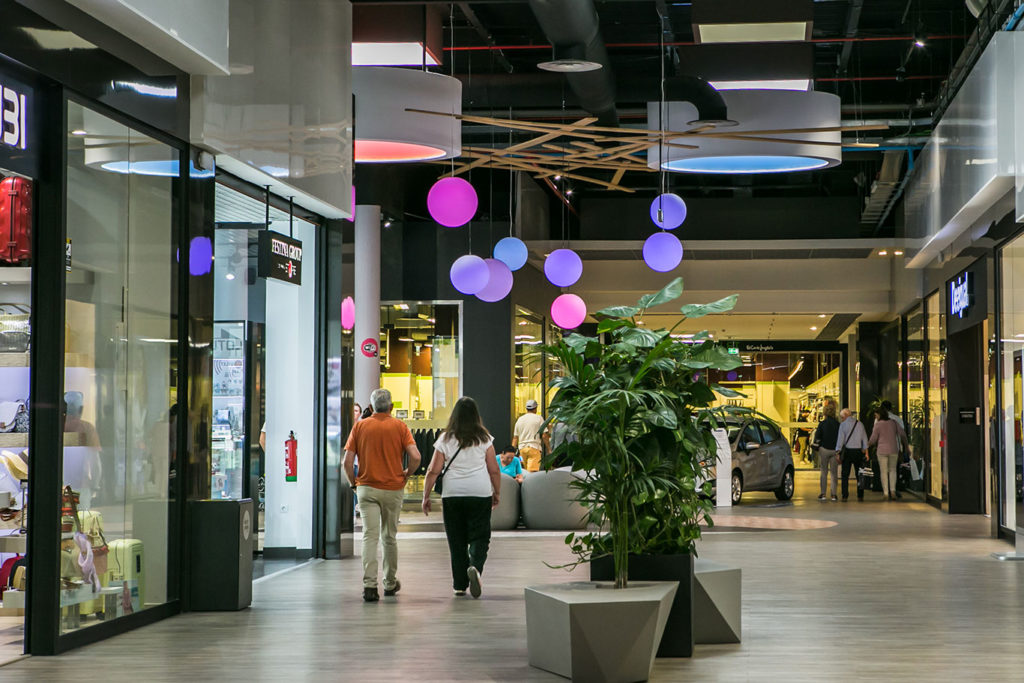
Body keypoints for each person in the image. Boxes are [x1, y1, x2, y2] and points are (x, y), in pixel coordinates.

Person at [344, 388, 421, 602]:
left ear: (370, 408)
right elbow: (416, 456)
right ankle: (389, 583)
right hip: (393, 488)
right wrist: (407, 474)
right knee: (389, 537)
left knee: (369, 536)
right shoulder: (400, 427)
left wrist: (354, 484)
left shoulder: (359, 427)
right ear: (392, 407)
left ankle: (369, 586)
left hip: (366, 488)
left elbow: (347, 462)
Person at [422, 397, 500, 598]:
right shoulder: (485, 438)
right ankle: (475, 567)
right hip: (480, 493)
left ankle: (459, 585)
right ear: (476, 415)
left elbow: (432, 470)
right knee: (480, 536)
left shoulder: (445, 439)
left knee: (456, 540)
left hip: (453, 494)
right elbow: (494, 470)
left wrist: (426, 496)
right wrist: (496, 492)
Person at [868, 405, 909, 501]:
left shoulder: (878, 425)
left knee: (883, 471)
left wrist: (867, 445)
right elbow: (902, 434)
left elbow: (873, 439)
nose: (875, 417)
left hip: (882, 450)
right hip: (893, 449)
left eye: (876, 415)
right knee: (893, 470)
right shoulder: (894, 423)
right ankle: (893, 491)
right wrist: (906, 446)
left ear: (879, 415)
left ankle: (886, 493)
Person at [836, 408, 870, 501]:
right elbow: (865, 439)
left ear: (846, 416)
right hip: (858, 452)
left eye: (842, 417)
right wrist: (866, 453)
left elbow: (840, 440)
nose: (842, 419)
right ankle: (860, 495)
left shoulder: (843, 425)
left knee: (845, 475)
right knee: (859, 474)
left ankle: (844, 495)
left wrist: (838, 452)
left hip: (847, 452)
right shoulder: (860, 424)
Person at [814, 401, 841, 501]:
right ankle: (834, 494)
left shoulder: (822, 424)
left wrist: (818, 447)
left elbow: (817, 437)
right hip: (834, 450)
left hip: (824, 449)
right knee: (834, 473)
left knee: (824, 472)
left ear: (824, 413)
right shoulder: (838, 424)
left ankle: (823, 493)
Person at [512, 399, 547, 472]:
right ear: (535, 408)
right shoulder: (539, 418)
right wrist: (549, 449)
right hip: (534, 448)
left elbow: (515, 438)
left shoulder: (520, 419)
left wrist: (512, 451)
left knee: (523, 471)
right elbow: (544, 435)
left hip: (522, 449)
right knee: (532, 473)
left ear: (526, 408)